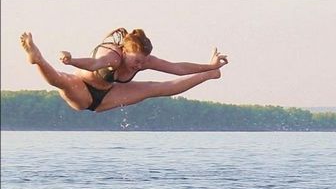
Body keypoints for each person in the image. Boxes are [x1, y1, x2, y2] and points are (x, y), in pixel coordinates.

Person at [20, 28, 228, 112]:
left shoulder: (143, 60)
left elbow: (177, 68)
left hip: (108, 94)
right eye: (136, 61)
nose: (139, 66)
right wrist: (72, 61)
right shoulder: (113, 56)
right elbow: (93, 65)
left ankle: (210, 75)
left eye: (142, 61)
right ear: (125, 51)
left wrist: (209, 65)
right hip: (82, 89)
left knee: (157, 88)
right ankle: (37, 59)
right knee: (60, 80)